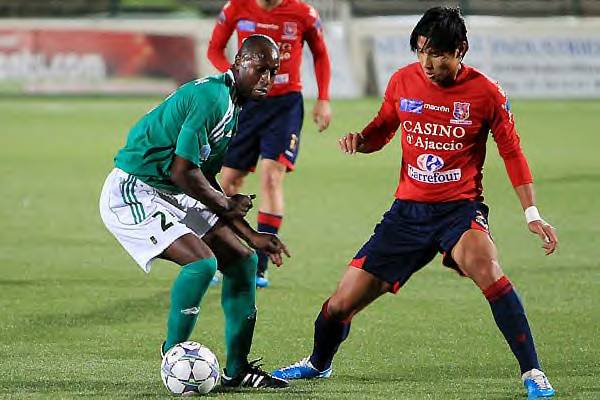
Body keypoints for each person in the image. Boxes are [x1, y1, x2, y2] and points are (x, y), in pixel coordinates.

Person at [272, 7, 558, 398]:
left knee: (487, 266)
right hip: (406, 214)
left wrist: (532, 214)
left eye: (437, 53)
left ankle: (533, 373)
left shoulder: (486, 93)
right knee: (340, 304)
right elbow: (382, 129)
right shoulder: (403, 81)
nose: (426, 62)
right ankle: (318, 363)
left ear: (461, 50)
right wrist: (362, 140)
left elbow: (512, 152)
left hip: (459, 210)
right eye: (420, 51)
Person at [99, 34, 290, 389]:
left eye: (274, 72)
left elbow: (204, 178)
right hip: (133, 189)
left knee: (242, 260)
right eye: (260, 69)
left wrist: (251, 235)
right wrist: (227, 205)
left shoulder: (232, 105)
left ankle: (237, 370)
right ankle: (173, 355)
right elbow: (182, 171)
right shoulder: (212, 98)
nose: (267, 79)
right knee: (202, 263)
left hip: (170, 190)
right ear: (239, 63)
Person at [207, 0, 332, 288]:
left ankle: (259, 267)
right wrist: (238, 76)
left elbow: (321, 55)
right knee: (227, 182)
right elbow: (214, 49)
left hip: (285, 106)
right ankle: (221, 257)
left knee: (271, 177)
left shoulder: (304, 14)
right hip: (246, 103)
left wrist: (323, 97)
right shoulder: (235, 7)